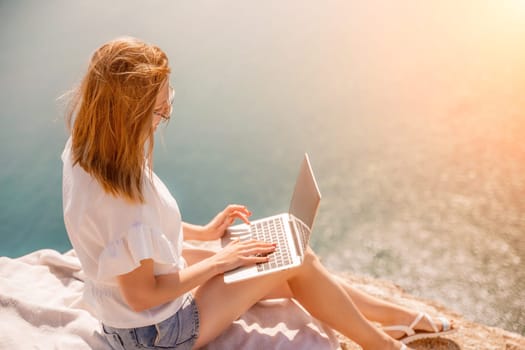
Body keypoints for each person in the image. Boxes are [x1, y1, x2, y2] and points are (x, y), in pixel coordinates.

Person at [62, 37, 453, 350]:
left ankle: (397, 318)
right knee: (293, 259)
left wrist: (205, 235)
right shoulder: (121, 196)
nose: (164, 115)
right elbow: (142, 296)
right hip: (157, 334)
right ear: (129, 114)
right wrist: (221, 261)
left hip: (144, 315)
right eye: (160, 109)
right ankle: (384, 343)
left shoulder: (85, 154)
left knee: (285, 258)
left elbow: (136, 241)